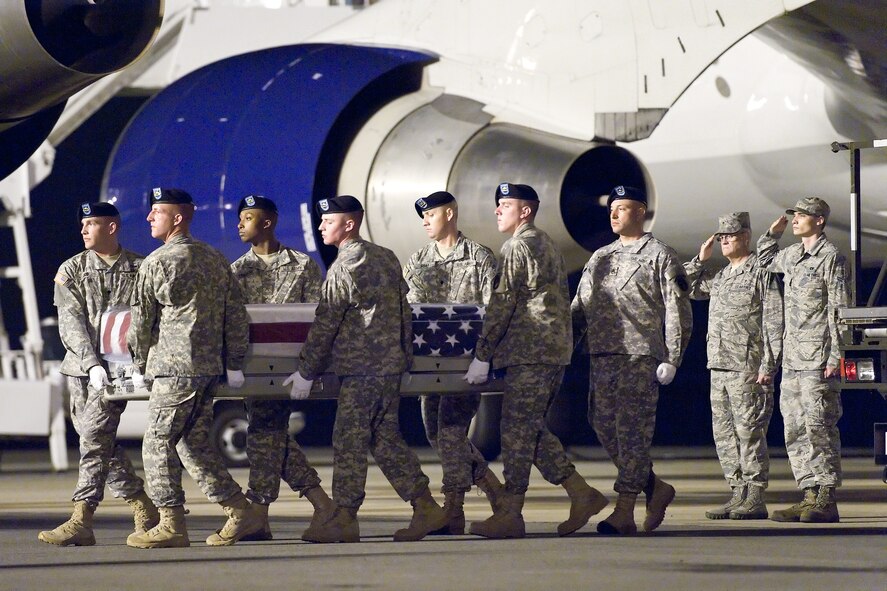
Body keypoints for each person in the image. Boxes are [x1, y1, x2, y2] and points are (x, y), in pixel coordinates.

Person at [283, 195, 448, 543]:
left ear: (350, 224)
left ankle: (344, 517)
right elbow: (405, 311)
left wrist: (305, 372)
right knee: (384, 439)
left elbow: (327, 322)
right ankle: (426, 506)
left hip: (362, 370)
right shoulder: (385, 257)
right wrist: (404, 357)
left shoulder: (346, 266)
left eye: (329, 221)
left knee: (348, 439)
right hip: (389, 367)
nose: (322, 226)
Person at [463, 182, 607, 539]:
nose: (498, 210)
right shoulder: (546, 244)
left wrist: (482, 354)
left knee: (515, 432)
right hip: (550, 350)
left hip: (531, 350)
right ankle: (581, 493)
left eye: (506, 204)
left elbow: (504, 301)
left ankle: (511, 513)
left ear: (525, 211)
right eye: (498, 204)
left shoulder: (518, 245)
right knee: (528, 429)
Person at [126, 187, 263, 548]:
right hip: (207, 370)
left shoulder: (157, 262)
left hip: (174, 368)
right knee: (193, 444)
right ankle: (240, 510)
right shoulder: (215, 258)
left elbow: (141, 321)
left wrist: (139, 362)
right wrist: (233, 362)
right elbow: (236, 315)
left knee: (156, 443)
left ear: (179, 217)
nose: (149, 217)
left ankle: (171, 522)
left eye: (157, 211)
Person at [571, 185, 692, 535]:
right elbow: (581, 306)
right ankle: (655, 488)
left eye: (622, 208)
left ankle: (624, 510)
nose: (613, 214)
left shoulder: (660, 255)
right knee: (603, 425)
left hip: (640, 354)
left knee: (633, 433)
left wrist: (673, 355)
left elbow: (677, 309)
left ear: (640, 211)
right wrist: (562, 342)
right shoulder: (601, 256)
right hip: (603, 352)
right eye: (611, 208)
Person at [39, 202, 158, 547]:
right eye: (83, 224)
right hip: (83, 370)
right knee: (97, 439)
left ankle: (82, 518)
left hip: (122, 370)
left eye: (92, 223)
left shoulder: (140, 268)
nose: (84, 230)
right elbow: (70, 321)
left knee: (92, 437)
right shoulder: (71, 269)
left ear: (112, 227)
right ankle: (142, 504)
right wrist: (91, 363)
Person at [230, 194, 333, 541]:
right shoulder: (236, 271)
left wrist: (310, 369)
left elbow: (318, 319)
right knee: (269, 434)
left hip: (290, 369)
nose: (240, 224)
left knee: (264, 433)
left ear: (268, 222)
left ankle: (258, 511)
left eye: (247, 218)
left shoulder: (302, 265)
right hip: (253, 367)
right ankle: (320, 504)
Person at [402, 190, 504, 534]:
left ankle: (454, 509)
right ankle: (494, 490)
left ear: (450, 213)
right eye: (423, 216)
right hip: (430, 366)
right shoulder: (417, 261)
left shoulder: (480, 258)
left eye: (431, 214)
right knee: (435, 433)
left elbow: (494, 313)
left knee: (450, 432)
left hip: (466, 365)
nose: (425, 221)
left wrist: (483, 358)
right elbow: (411, 313)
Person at [684, 212, 782, 520]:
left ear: (746, 237)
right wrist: (699, 261)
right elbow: (684, 287)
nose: (725, 240)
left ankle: (755, 495)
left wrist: (769, 364)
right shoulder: (722, 276)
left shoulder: (761, 272)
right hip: (720, 365)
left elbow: (774, 320)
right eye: (721, 236)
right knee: (724, 433)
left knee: (749, 430)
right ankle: (737, 492)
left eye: (731, 235)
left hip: (748, 366)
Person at [757, 197, 849, 523]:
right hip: (793, 358)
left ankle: (827, 497)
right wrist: (772, 234)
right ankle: (808, 494)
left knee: (819, 426)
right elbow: (764, 260)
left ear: (820, 220)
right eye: (794, 215)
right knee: (794, 429)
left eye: (802, 215)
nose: (795, 219)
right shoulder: (793, 255)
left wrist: (836, 354)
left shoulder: (830, 258)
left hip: (818, 358)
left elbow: (838, 310)